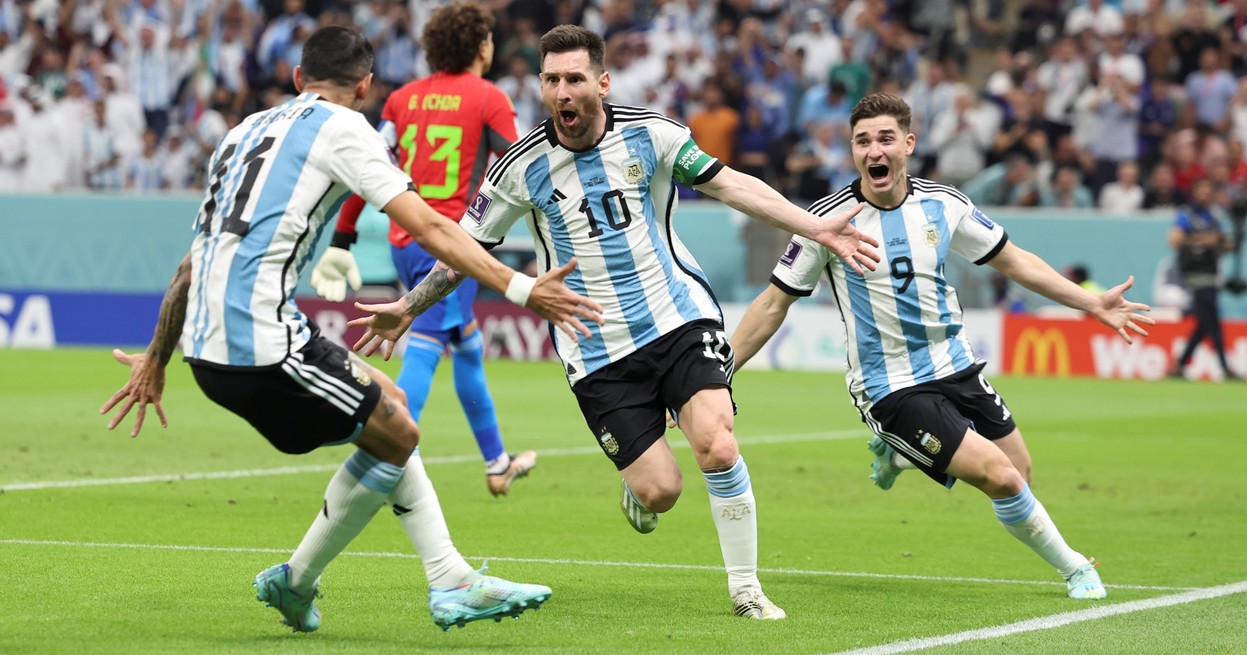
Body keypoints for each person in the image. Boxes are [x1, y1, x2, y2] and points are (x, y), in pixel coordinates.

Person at [347, 25, 880, 621]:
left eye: (574, 78)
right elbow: (467, 252)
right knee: (662, 490)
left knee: (717, 444)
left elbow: (730, 184)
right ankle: (638, 483)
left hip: (677, 317)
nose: (562, 92)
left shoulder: (652, 134)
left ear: (602, 82)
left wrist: (814, 226)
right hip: (595, 347)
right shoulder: (520, 168)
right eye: (551, 80)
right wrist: (408, 306)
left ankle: (746, 589)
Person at [99, 26, 605, 633]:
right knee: (398, 431)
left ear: (295, 79)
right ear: (365, 86)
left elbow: (193, 260)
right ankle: (418, 581)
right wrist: (523, 287)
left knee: (390, 414)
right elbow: (435, 228)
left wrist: (158, 357)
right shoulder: (345, 129)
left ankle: (415, 579)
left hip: (209, 346)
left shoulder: (241, 133)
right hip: (260, 345)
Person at [729, 93, 1155, 601]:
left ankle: (902, 456)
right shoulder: (829, 220)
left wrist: (1089, 303)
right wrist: (720, 371)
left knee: (1019, 470)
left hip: (955, 365)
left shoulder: (943, 204)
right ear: (852, 151)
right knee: (1001, 477)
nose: (873, 151)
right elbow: (774, 304)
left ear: (908, 144)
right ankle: (1076, 568)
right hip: (889, 385)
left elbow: (1015, 262)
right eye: (862, 142)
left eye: (885, 138)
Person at [309, 2, 536, 497]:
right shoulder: (490, 98)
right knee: (426, 348)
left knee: (469, 347)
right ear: (482, 46)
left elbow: (367, 171)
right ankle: (382, 450)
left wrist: (344, 235)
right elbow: (522, 171)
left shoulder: (402, 100)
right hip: (453, 247)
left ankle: (497, 462)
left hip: (403, 238)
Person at [1167, 178, 1240, 380]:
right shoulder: (1187, 215)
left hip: (1212, 273)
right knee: (1213, 321)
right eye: (1202, 191)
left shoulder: (1214, 216)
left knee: (1204, 323)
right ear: (1195, 192)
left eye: (1209, 192)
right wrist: (1204, 239)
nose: (1206, 195)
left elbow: (1221, 242)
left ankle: (1179, 365)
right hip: (1196, 274)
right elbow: (1174, 240)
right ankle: (1225, 368)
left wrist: (1228, 243)